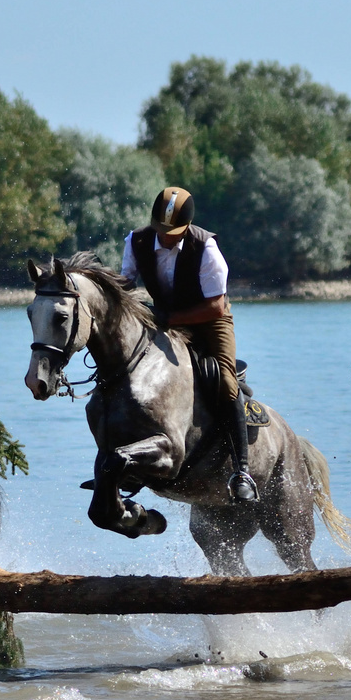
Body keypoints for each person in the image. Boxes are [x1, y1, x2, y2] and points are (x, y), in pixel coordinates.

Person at [121, 187, 256, 501]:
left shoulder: (205, 247)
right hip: (164, 318)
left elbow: (216, 307)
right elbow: (125, 283)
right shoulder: (136, 240)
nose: (166, 237)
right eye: (162, 230)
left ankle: (242, 470)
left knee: (224, 382)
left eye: (174, 232)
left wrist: (170, 318)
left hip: (210, 321)